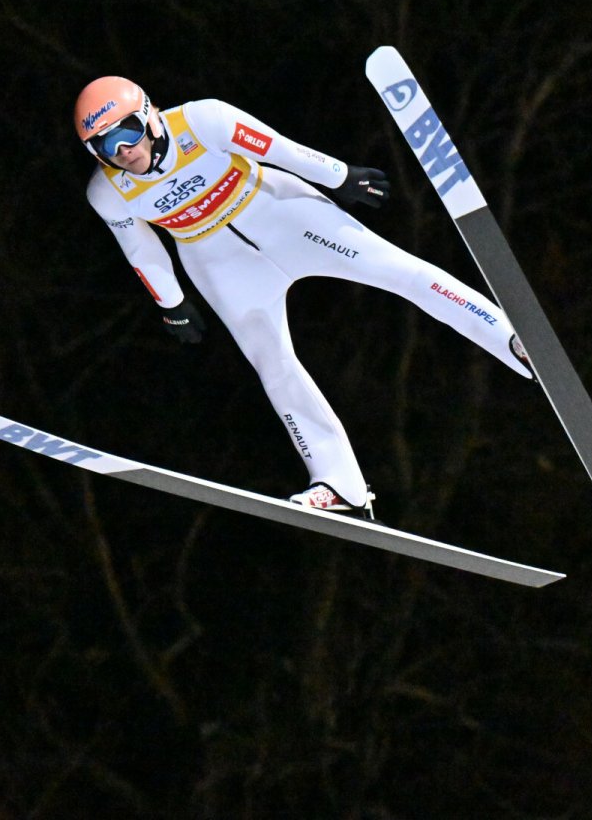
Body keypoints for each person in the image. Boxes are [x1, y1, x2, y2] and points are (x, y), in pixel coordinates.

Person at [77, 75, 532, 519]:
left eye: (128, 131)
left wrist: (341, 176)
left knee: (399, 272)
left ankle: (509, 339)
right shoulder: (107, 191)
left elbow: (279, 148)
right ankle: (339, 483)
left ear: (150, 115)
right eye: (105, 145)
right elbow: (140, 249)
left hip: (282, 213)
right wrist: (171, 303)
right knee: (272, 363)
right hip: (218, 261)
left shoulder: (202, 121)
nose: (123, 150)